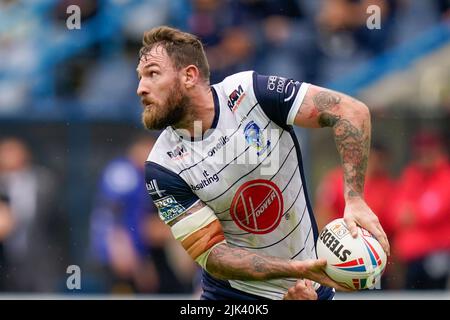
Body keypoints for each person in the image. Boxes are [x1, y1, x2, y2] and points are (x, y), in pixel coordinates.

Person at [136, 26, 390, 300]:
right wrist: (296, 269)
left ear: (189, 75)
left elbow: (350, 112)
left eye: (152, 74)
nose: (141, 88)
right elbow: (215, 257)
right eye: (140, 77)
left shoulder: (250, 93)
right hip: (232, 296)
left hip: (312, 287)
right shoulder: (162, 166)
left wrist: (355, 200)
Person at [89, 135, 197, 294]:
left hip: (142, 256)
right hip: (121, 260)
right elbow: (113, 218)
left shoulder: (149, 177)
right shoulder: (124, 172)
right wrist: (130, 256)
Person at [390, 130, 450, 290]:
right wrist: (412, 213)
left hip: (435, 257)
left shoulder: (446, 176)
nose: (424, 154)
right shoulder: (411, 174)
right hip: (407, 259)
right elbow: (395, 213)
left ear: (439, 150)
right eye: (420, 150)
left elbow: (433, 212)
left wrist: (413, 213)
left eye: (429, 149)